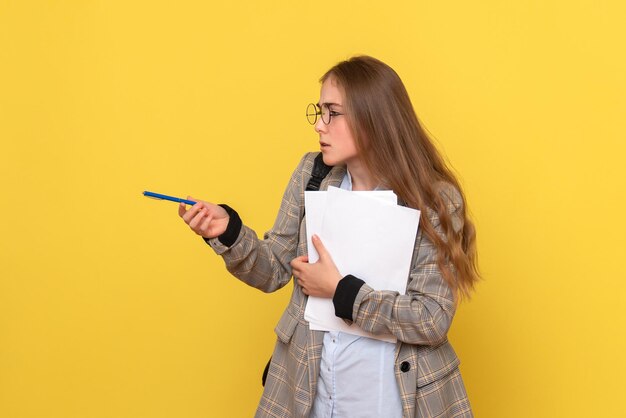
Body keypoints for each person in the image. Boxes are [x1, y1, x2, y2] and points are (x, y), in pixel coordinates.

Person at [178, 56, 479, 418]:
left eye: (332, 113)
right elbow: (273, 268)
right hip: (311, 393)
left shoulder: (435, 199)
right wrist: (227, 231)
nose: (319, 125)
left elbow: (431, 318)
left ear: (373, 118)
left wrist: (341, 292)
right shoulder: (313, 174)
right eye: (319, 111)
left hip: (390, 398)